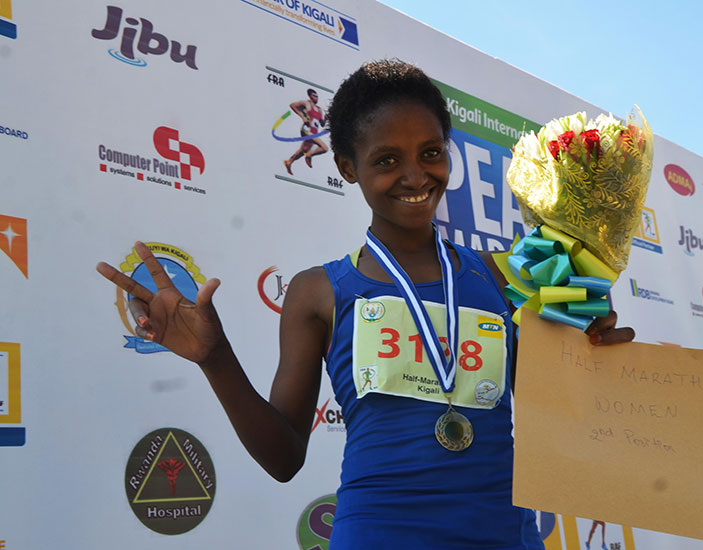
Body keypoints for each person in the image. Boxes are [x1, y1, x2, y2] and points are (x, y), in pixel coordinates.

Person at [96, 59, 634, 549]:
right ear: (349, 168)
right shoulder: (317, 292)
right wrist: (216, 358)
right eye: (386, 160)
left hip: (504, 535)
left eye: (431, 153)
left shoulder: (505, 275)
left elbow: (563, 418)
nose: (416, 176)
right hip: (379, 533)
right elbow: (284, 457)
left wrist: (594, 351)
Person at [283, 88, 328, 175]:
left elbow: (322, 123)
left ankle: (289, 162)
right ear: (310, 96)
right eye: (314, 96)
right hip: (307, 130)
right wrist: (302, 117)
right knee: (324, 148)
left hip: (314, 132)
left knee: (303, 150)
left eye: (317, 96)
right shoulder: (306, 103)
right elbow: (292, 105)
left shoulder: (319, 109)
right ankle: (309, 155)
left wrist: (326, 118)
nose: (316, 98)